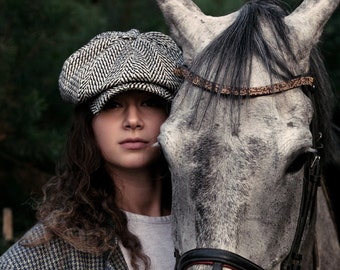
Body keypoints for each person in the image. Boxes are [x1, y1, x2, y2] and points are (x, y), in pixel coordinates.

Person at [0, 29, 184, 270]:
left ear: (173, 114)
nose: (133, 120)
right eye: (113, 105)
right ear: (88, 125)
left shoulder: (214, 231)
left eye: (149, 103)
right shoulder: (49, 251)